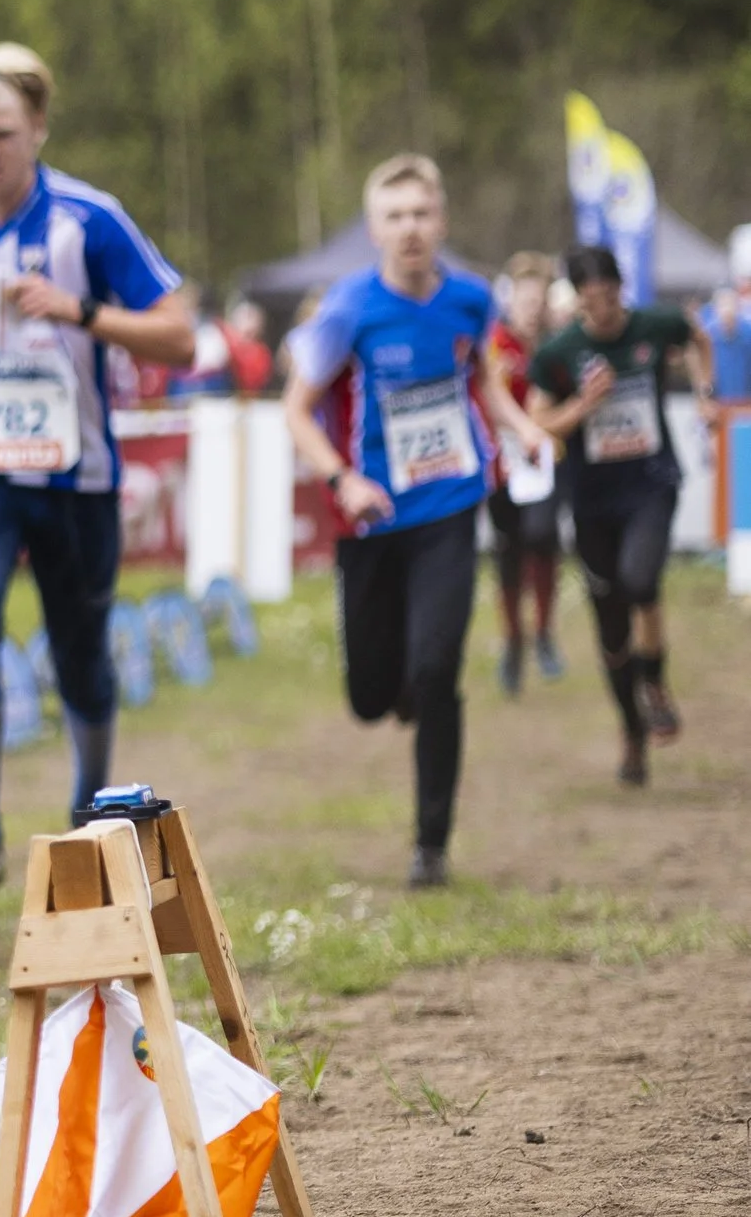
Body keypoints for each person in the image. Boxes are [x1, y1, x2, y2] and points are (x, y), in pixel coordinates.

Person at [0, 43, 196, 916]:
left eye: (3, 135)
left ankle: (89, 827)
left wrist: (81, 312)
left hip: (78, 475)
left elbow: (182, 336)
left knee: (81, 655)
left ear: (39, 129)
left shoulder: (90, 223)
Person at [282, 156, 549, 889]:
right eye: (395, 216)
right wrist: (345, 478)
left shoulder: (469, 299)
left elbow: (484, 380)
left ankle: (431, 843)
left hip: (451, 505)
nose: (410, 229)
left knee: (437, 673)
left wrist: (520, 425)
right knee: (372, 697)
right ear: (374, 229)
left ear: (442, 221)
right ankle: (399, 680)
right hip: (370, 518)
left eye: (421, 214)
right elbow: (295, 409)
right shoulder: (347, 309)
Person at [526, 246, 715, 787]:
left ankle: (655, 684)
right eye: (591, 302)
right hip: (592, 500)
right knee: (610, 628)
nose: (603, 311)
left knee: (641, 581)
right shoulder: (561, 352)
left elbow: (697, 336)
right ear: (577, 301)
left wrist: (704, 393)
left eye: (610, 297)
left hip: (651, 484)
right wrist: (583, 406)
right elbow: (540, 424)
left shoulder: (655, 325)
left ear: (622, 288)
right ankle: (631, 731)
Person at [485, 252, 565, 696]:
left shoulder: (556, 346)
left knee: (542, 536)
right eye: (524, 298)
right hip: (502, 462)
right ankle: (513, 641)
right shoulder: (496, 343)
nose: (531, 306)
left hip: (546, 462)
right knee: (508, 553)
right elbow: (486, 394)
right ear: (511, 299)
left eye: (539, 298)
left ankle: (545, 633)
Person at [700, 277, 751, 400]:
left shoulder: (748, 333)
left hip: (746, 400)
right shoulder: (707, 336)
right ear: (715, 309)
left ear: (738, 307)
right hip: (718, 401)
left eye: (730, 304)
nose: (726, 310)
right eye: (722, 305)